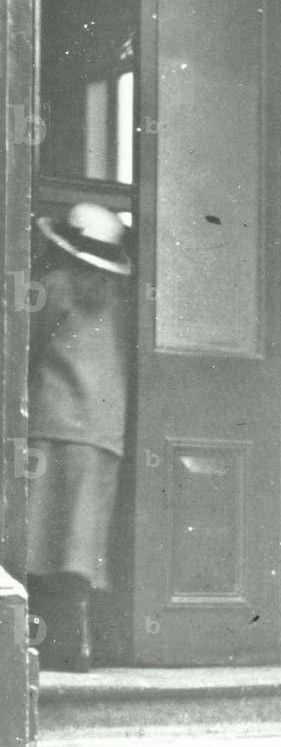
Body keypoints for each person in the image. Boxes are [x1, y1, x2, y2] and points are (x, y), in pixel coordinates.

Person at [27, 202, 131, 673]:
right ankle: (80, 646)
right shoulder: (119, 300)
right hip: (102, 436)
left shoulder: (54, 287)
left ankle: (37, 647)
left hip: (51, 428)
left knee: (37, 542)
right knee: (80, 550)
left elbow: (27, 346)